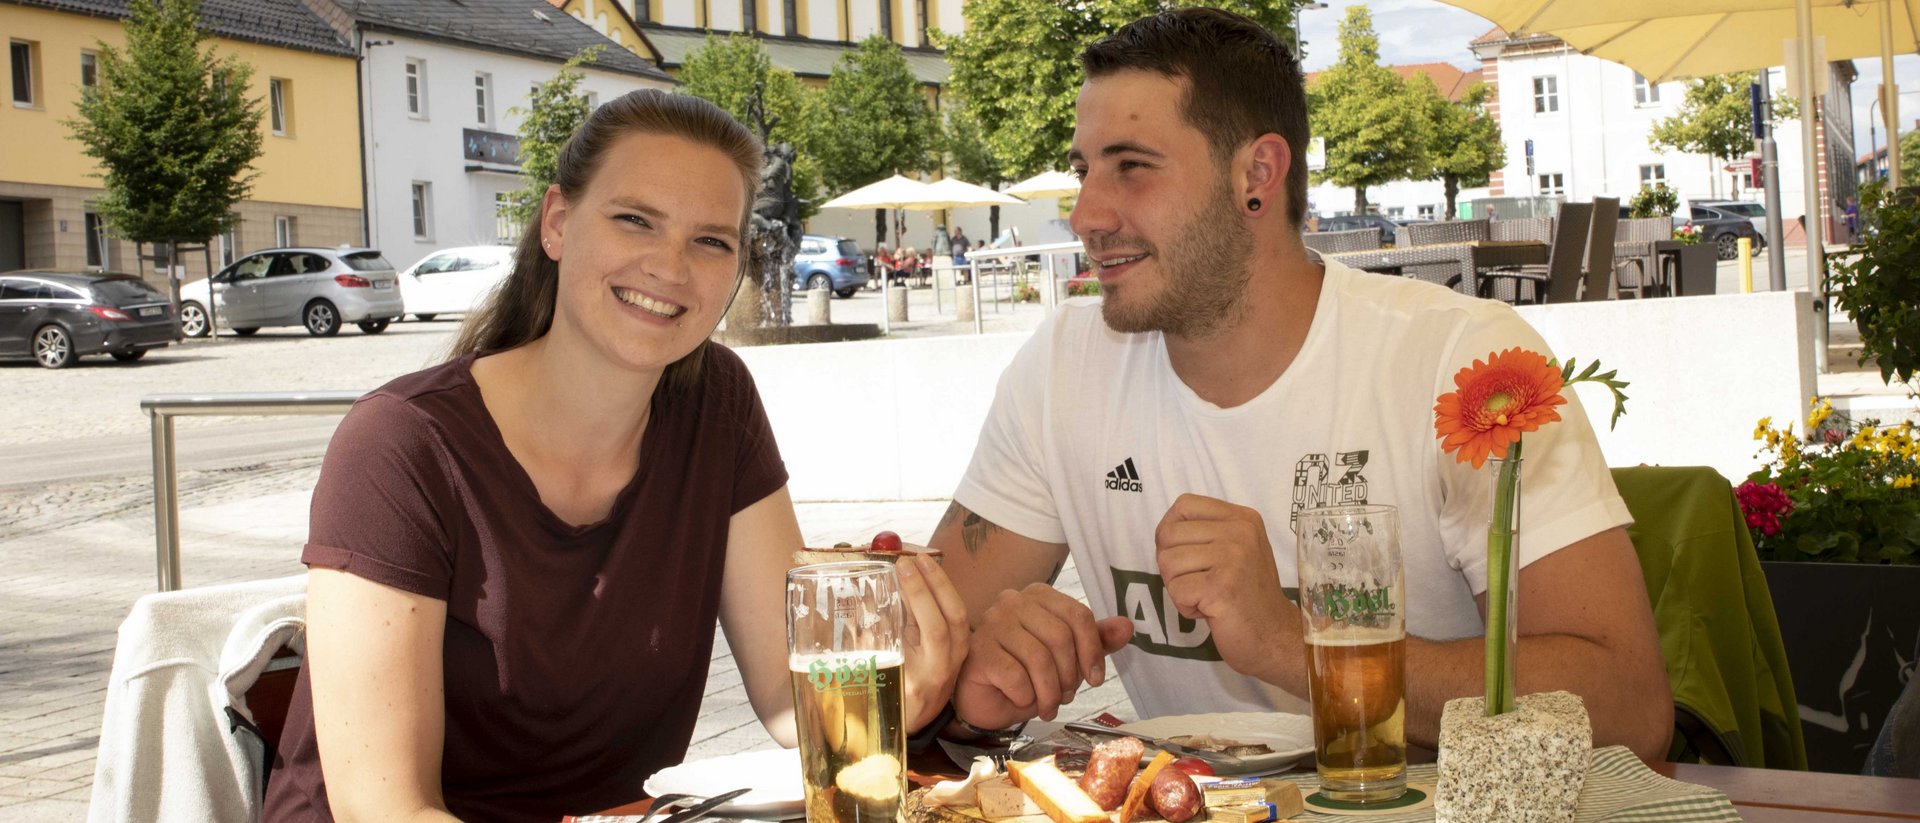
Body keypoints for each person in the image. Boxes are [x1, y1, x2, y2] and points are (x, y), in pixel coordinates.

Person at [926, 8, 1672, 762]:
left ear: (1257, 174)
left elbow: (1628, 706)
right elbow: (927, 652)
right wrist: (971, 699)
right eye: (1085, 169)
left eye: (1132, 166)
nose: (1086, 215)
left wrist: (1298, 646)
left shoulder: (1461, 362)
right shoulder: (1063, 368)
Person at [264, 90, 970, 823]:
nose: (670, 265)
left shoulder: (715, 403)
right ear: (559, 223)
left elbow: (794, 707)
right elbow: (384, 809)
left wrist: (894, 692)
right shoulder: (401, 443)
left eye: (710, 240)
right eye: (635, 219)